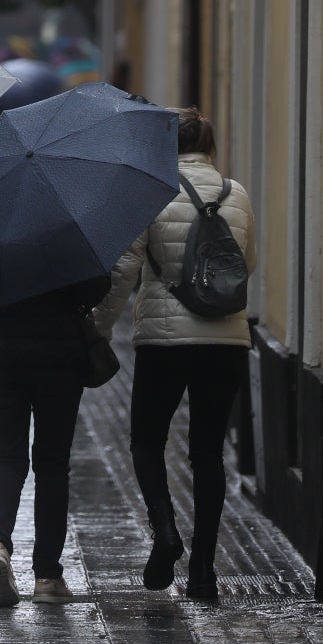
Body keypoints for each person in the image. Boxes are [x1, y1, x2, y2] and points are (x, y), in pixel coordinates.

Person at [93, 106, 257, 602]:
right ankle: (204, 569)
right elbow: (244, 264)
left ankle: (164, 530)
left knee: (147, 440)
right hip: (225, 340)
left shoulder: (152, 192)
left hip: (164, 340)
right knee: (208, 452)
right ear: (209, 146)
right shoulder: (238, 194)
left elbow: (123, 270)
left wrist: (96, 331)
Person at [0, 269, 111, 606]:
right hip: (59, 357)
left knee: (7, 458)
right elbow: (96, 285)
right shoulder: (68, 229)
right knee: (52, 465)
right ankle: (47, 577)